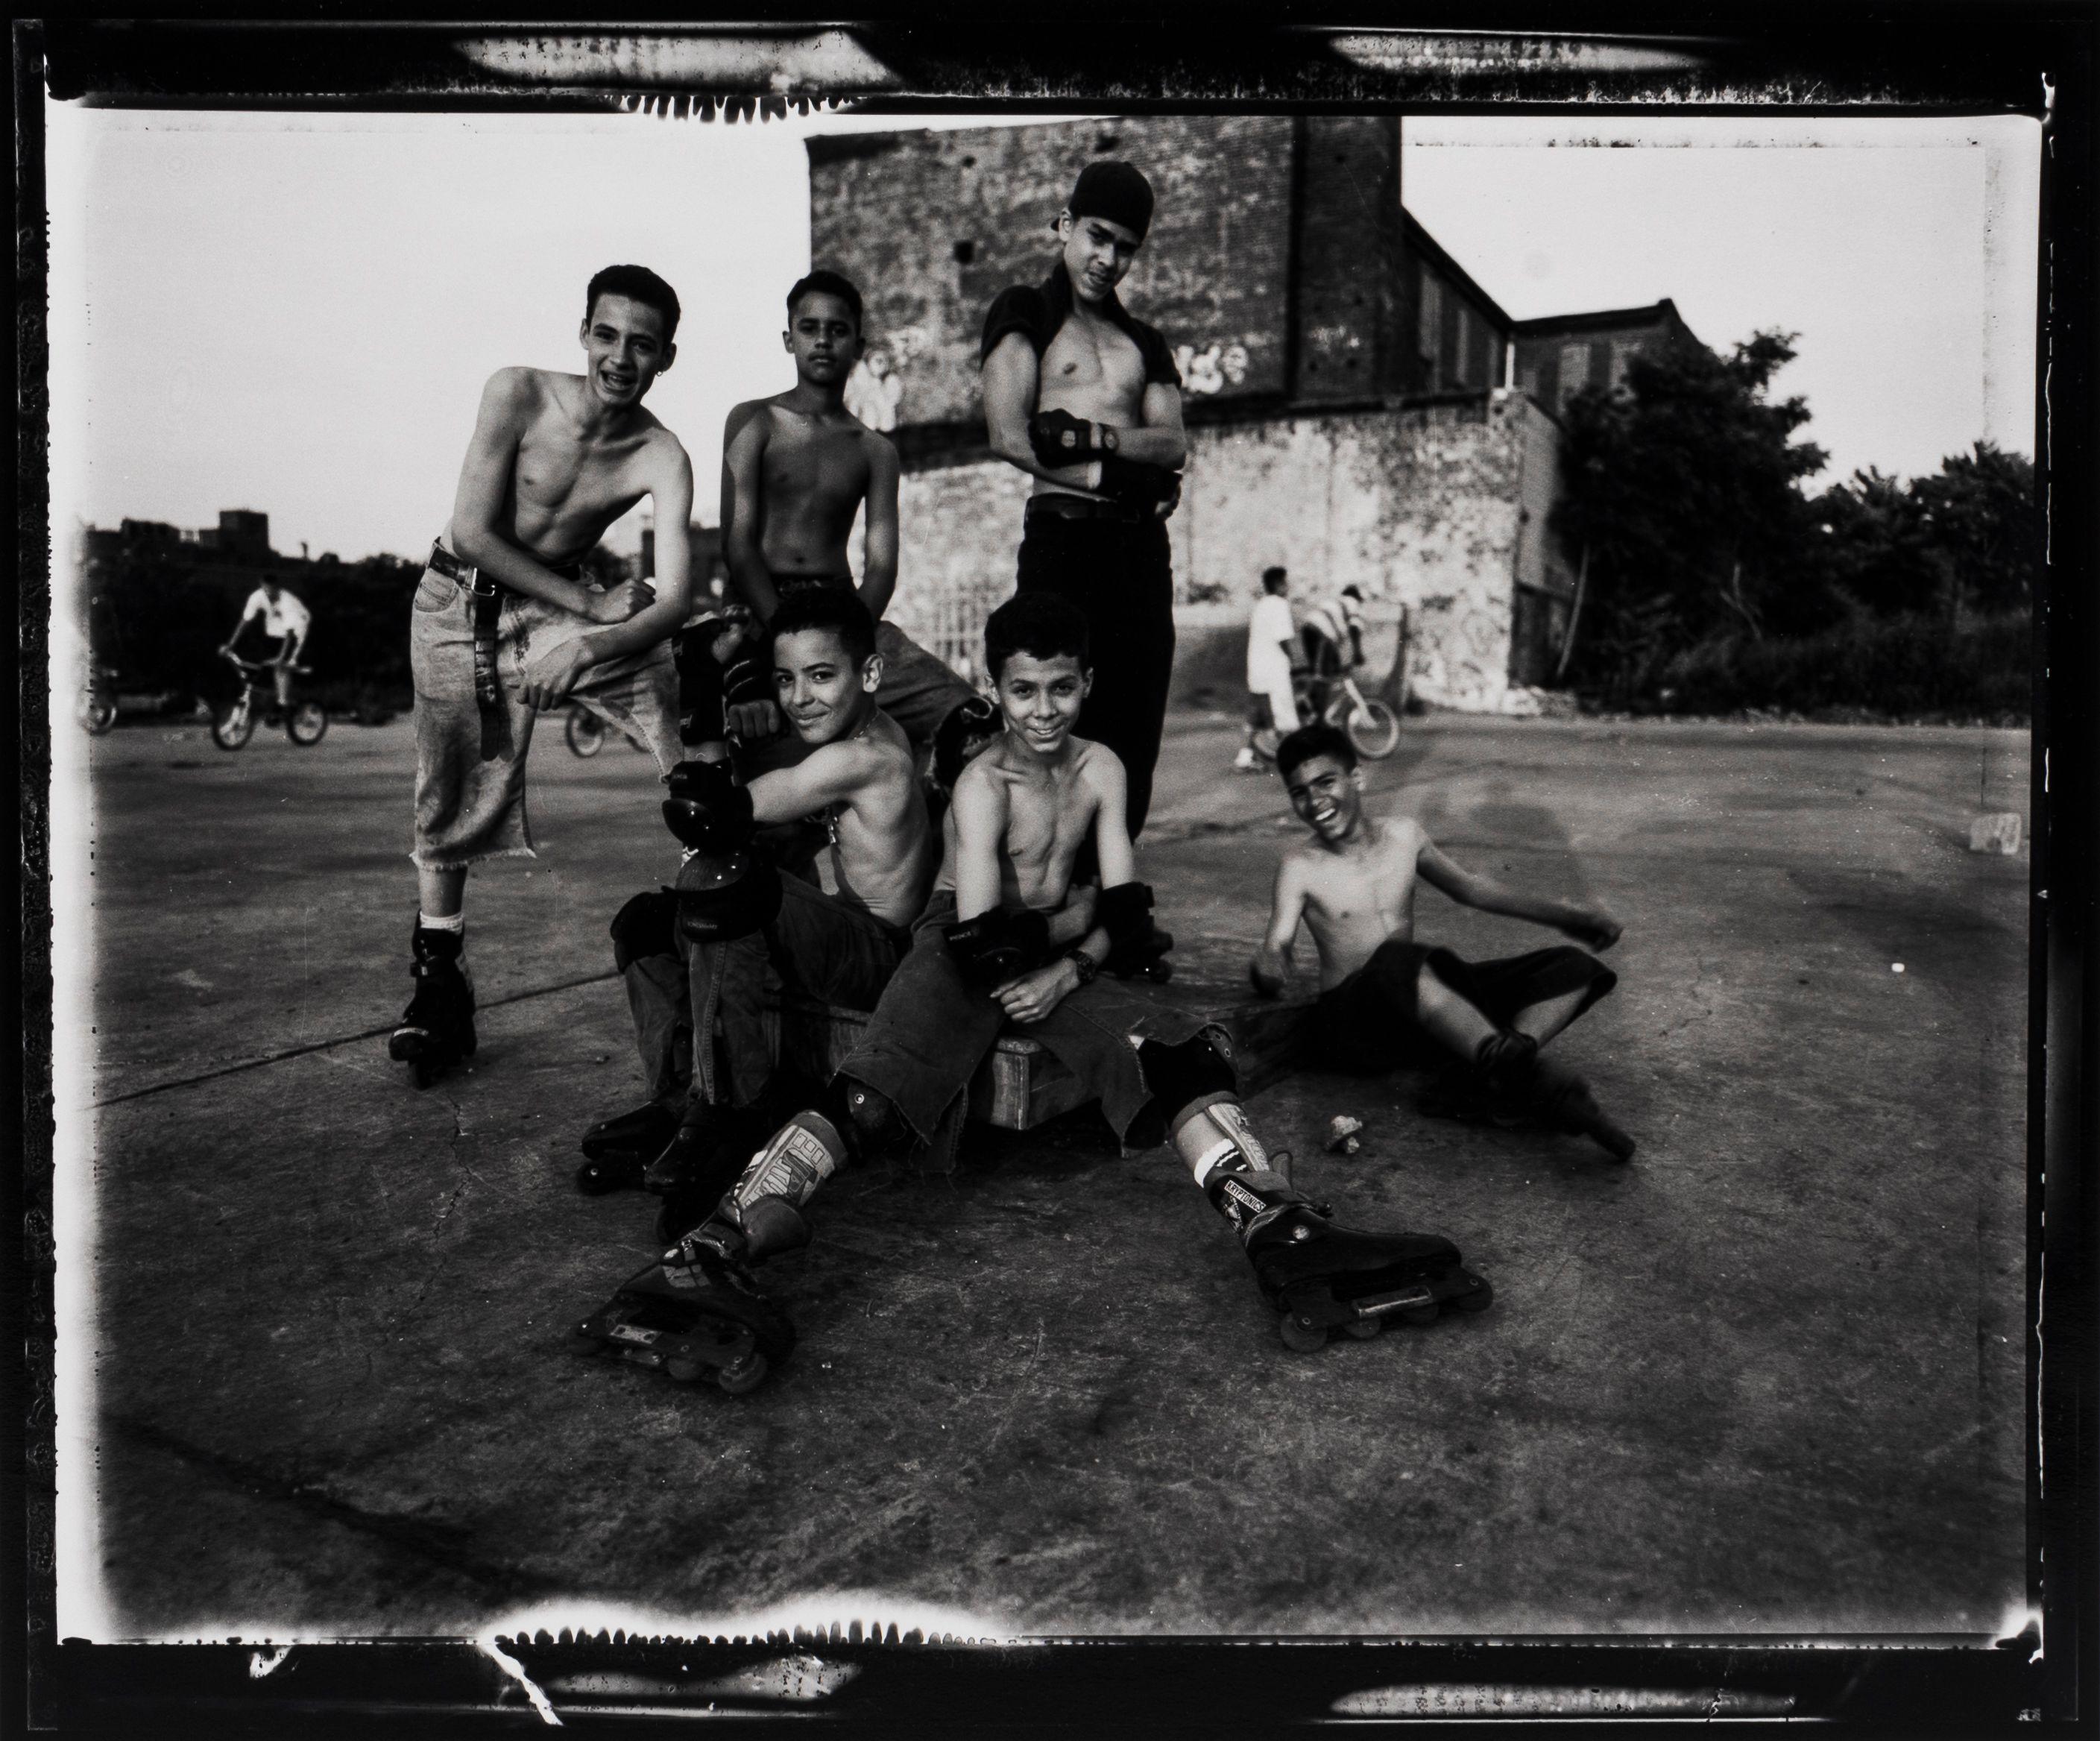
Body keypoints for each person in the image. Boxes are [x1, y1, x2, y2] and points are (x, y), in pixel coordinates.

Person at [577, 595, 1490, 1392]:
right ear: (997, 688)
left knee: (1178, 1055)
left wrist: (1073, 967)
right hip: (959, 949)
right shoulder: (981, 784)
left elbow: (1127, 911)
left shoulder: (1102, 770)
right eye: (1022, 691)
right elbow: (982, 939)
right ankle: (717, 1246)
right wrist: (1061, 951)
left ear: (1085, 684)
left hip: (1053, 962)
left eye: (1060, 689)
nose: (1042, 710)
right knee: (871, 1093)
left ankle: (1283, 1231)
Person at [390, 265, 694, 1088]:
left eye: (642, 343)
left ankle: (726, 883)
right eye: (606, 334)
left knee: (667, 691)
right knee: (450, 792)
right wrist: (592, 603)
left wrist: (593, 642)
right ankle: (439, 986)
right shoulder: (517, 392)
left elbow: (678, 596)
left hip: (558, 615)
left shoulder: (661, 453)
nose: (620, 357)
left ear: (666, 355)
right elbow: (476, 533)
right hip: (460, 600)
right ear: (583, 332)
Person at [578, 588, 946, 1238]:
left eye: (821, 675)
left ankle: (735, 1113)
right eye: (785, 679)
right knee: (644, 921)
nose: (800, 696)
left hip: (877, 955)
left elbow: (713, 816)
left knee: (726, 882)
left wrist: (700, 676)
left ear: (870, 674)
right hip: (843, 934)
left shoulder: (867, 759)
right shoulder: (850, 732)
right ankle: (680, 1104)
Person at [1250, 724, 1635, 1159]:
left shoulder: (1404, 836)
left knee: (1573, 967)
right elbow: (1277, 945)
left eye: (1325, 782)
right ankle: (1505, 1067)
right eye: (1299, 792)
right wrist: (1268, 965)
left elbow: (1473, 889)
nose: (1315, 801)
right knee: (1396, 958)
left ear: (1357, 778)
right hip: (1354, 1024)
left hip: (1419, 1010)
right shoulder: (1300, 866)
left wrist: (1571, 918)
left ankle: (1498, 1069)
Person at [980, 160, 1188, 839]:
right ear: (1066, 226)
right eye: (1097, 236)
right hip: (1063, 543)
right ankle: (1047, 890)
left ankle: (1112, 895)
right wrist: (1112, 478)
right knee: (1051, 717)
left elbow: (1170, 444)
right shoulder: (1026, 310)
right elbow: (1010, 436)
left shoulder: (1144, 342)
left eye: (1125, 246)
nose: (1108, 258)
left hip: (1137, 552)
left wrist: (1091, 436)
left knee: (1135, 725)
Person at [720, 270, 986, 775]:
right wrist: (785, 635)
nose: (822, 340)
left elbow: (881, 567)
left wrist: (849, 634)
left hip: (844, 612)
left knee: (968, 720)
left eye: (837, 330)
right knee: (766, 777)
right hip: (759, 608)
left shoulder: (874, 450)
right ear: (788, 338)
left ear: (858, 344)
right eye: (809, 327)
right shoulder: (754, 421)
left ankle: (924, 829)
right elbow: (738, 546)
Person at [1235, 565, 1302, 772]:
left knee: (1255, 717)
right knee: (1284, 717)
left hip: (1257, 671)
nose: (1288, 587)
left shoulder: (1261, 605)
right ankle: (1295, 761)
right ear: (1278, 584)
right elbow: (1283, 638)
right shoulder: (1279, 605)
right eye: (1285, 583)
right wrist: (1296, 661)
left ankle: (1244, 758)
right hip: (1274, 671)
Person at [220, 573, 312, 714]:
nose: (268, 594)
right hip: (275, 630)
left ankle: (284, 704)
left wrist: (282, 657)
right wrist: (230, 644)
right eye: (265, 590)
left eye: (271, 591)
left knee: (282, 665)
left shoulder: (287, 602)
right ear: (262, 587)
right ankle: (279, 698)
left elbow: (290, 633)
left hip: (298, 629)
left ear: (277, 588)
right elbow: (245, 621)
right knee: (263, 664)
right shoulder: (257, 596)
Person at [1300, 582, 1366, 716]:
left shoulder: (1335, 602)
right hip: (1324, 633)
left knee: (1319, 673)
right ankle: (1321, 721)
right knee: (1325, 677)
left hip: (1309, 628)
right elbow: (1354, 627)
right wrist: (1358, 653)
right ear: (1357, 597)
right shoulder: (1352, 602)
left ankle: (1308, 704)